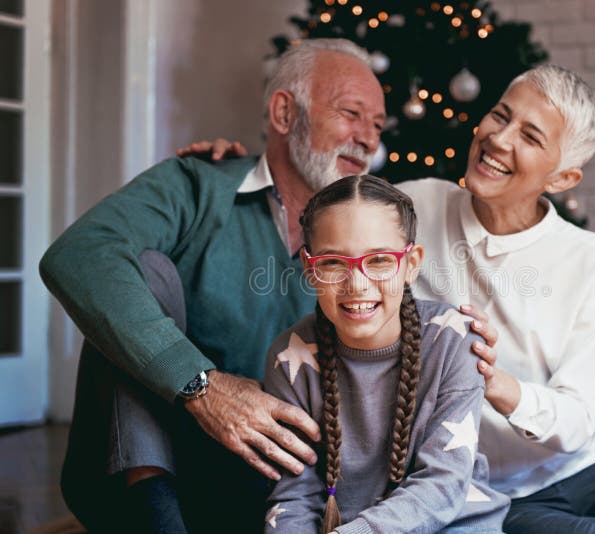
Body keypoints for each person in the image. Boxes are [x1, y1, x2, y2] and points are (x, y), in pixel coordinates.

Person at [193, 64, 595, 533]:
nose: (501, 140)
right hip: (479, 484)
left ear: (563, 176)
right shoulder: (415, 204)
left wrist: (501, 388)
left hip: (591, 459)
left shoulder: (589, 260)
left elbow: (578, 418)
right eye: (501, 116)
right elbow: (334, 211)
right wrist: (228, 169)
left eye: (531, 137)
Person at [39, 38, 390, 534]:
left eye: (377, 125)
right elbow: (78, 255)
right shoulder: (195, 183)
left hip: (270, 488)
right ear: (285, 112)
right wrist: (202, 388)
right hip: (143, 475)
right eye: (351, 114)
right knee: (146, 270)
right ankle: (156, 517)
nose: (368, 139)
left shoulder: (368, 234)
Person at [262, 174, 509, 533]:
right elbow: (294, 495)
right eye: (333, 262)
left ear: (411, 265)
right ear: (309, 268)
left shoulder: (454, 341)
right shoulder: (291, 355)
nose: (357, 283)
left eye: (378, 260)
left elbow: (442, 482)